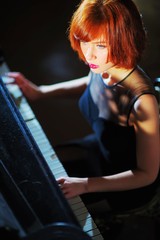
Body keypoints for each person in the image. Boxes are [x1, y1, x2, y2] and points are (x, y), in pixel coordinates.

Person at [7, 0, 160, 212]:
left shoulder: (143, 102)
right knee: (27, 170)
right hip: (99, 148)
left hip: (124, 184)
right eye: (84, 42)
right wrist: (40, 92)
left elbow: (147, 174)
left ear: (125, 40)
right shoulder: (104, 63)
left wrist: (86, 185)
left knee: (50, 209)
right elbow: (92, 83)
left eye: (100, 45)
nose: (89, 55)